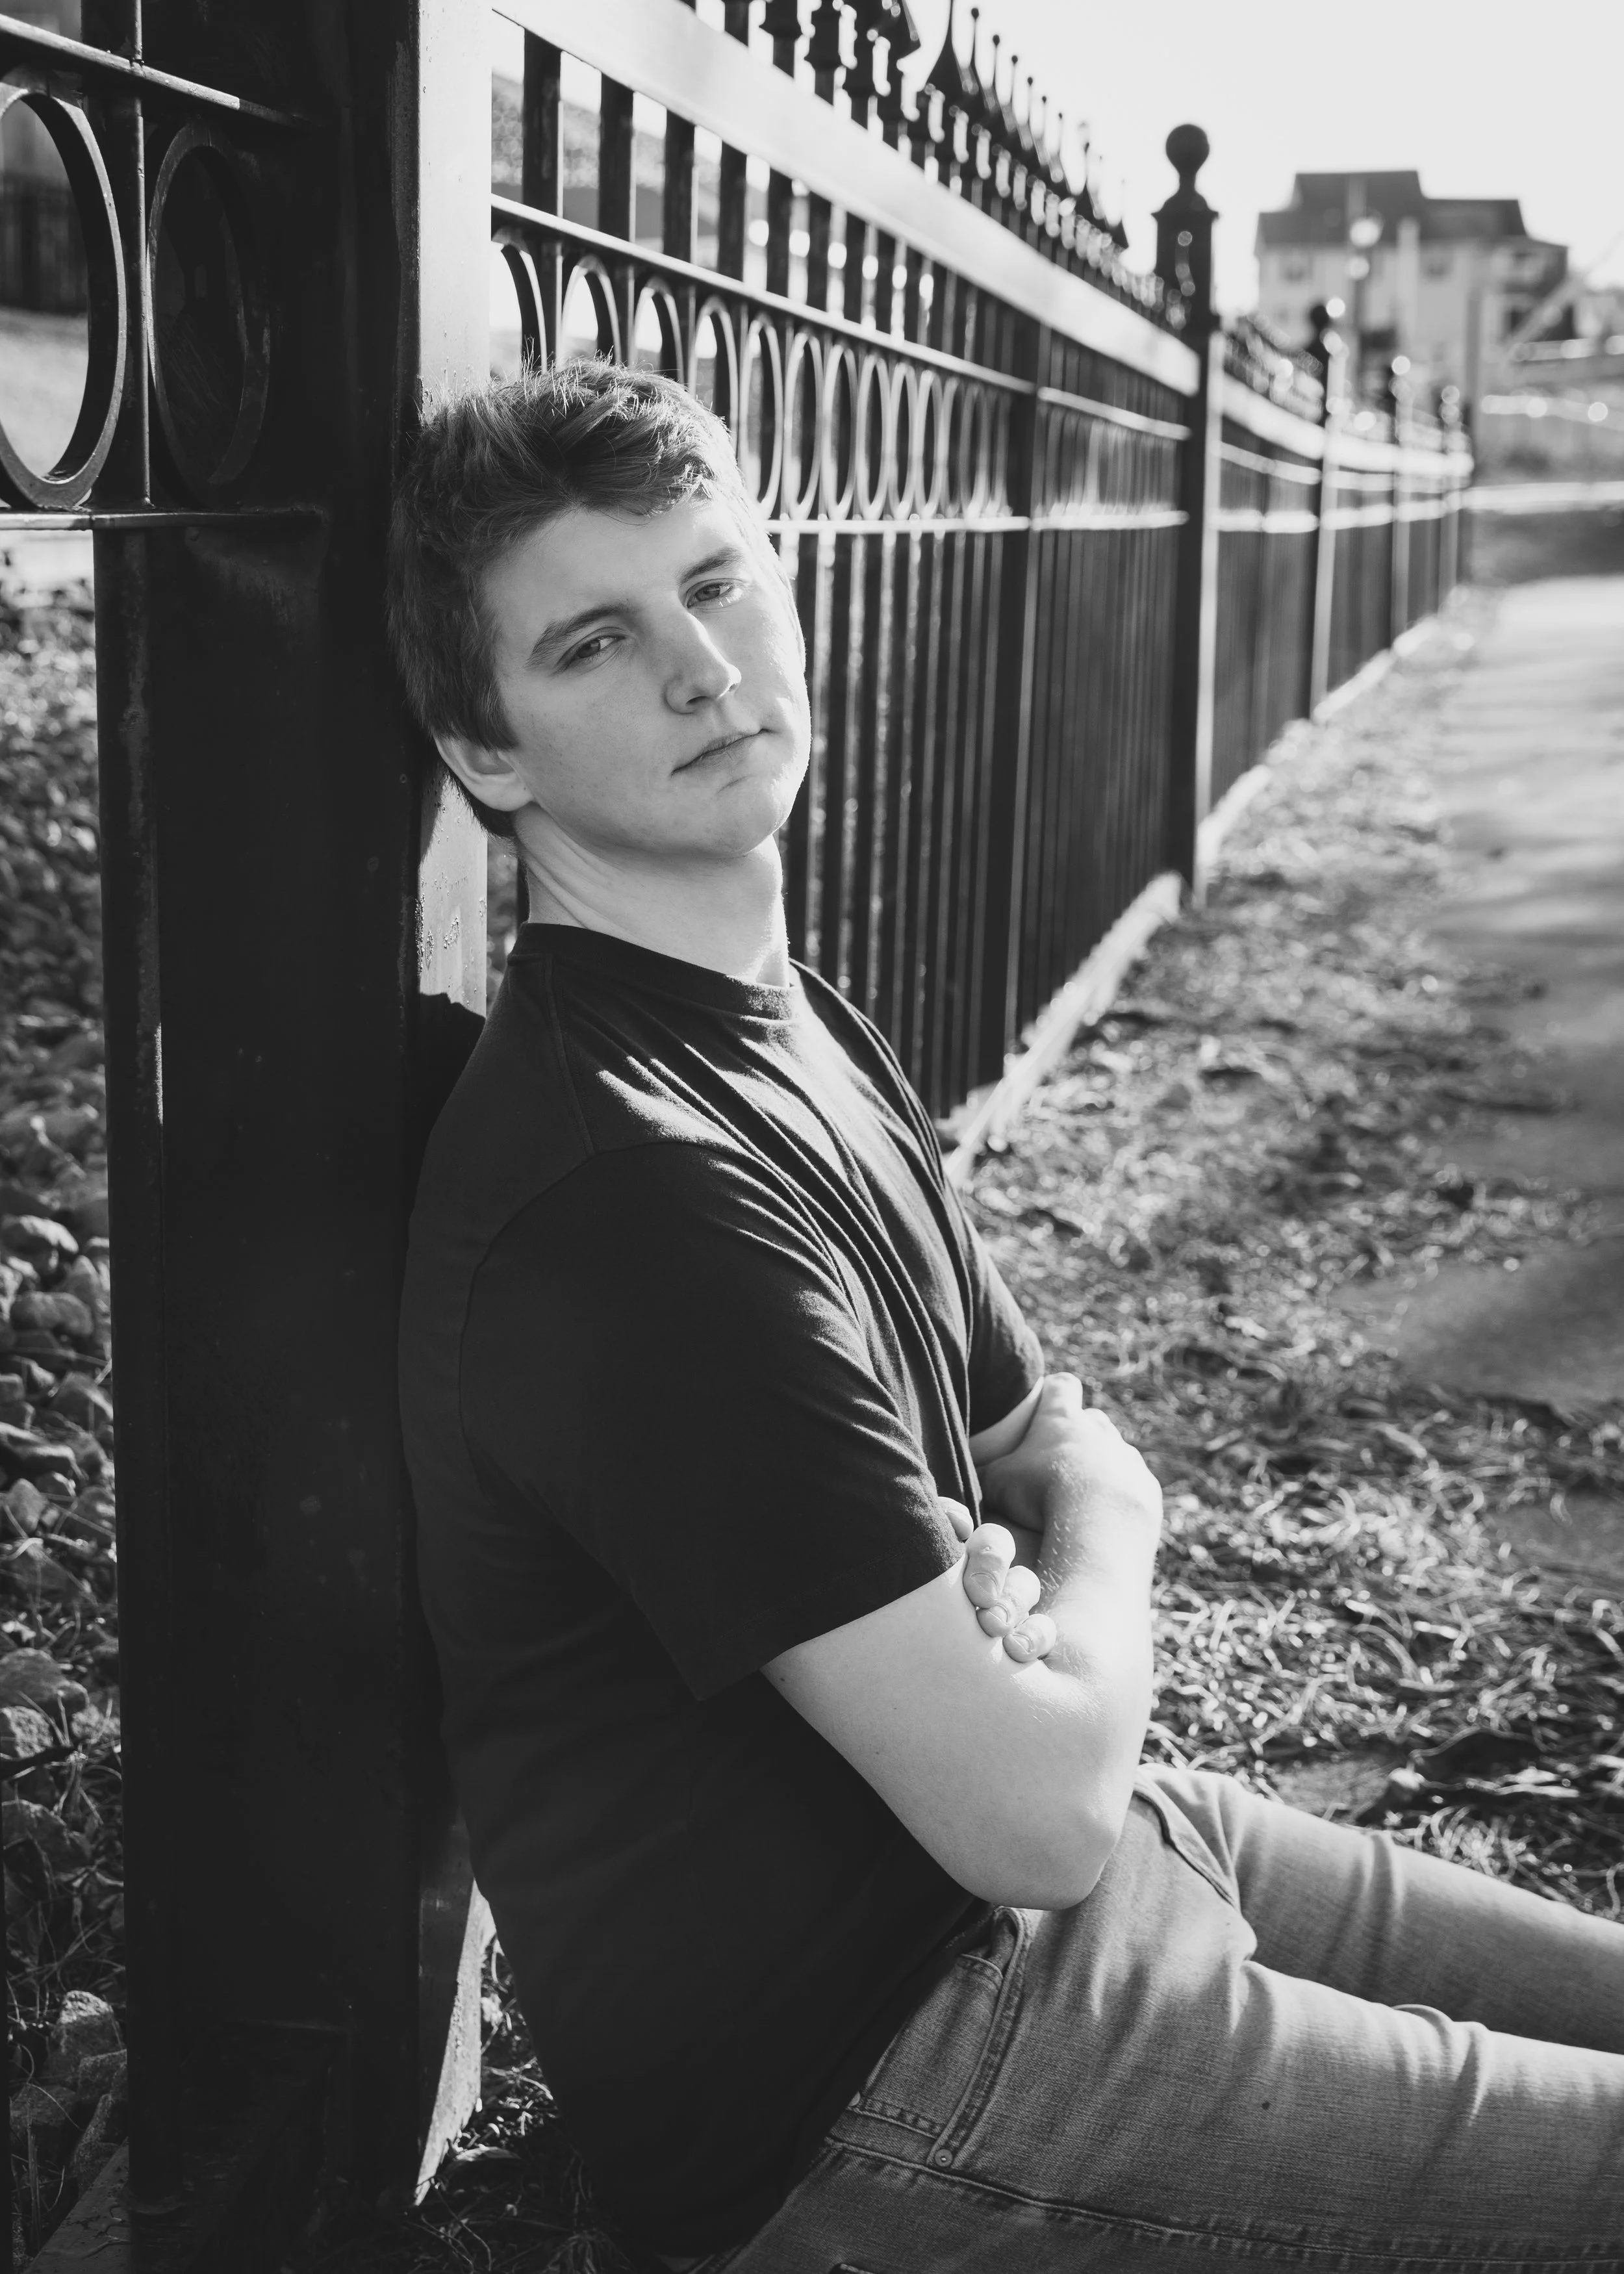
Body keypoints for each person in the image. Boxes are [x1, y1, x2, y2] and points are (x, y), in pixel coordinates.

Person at [391, 361, 1624, 2273]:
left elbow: (1022, 1424)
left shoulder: (777, 1013)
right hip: (889, 2077)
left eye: (719, 584)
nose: (703, 671)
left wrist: (1038, 1600)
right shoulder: (625, 1192)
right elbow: (1029, 1787)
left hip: (1107, 1860)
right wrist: (1104, 1536)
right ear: (490, 758)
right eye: (595, 643)